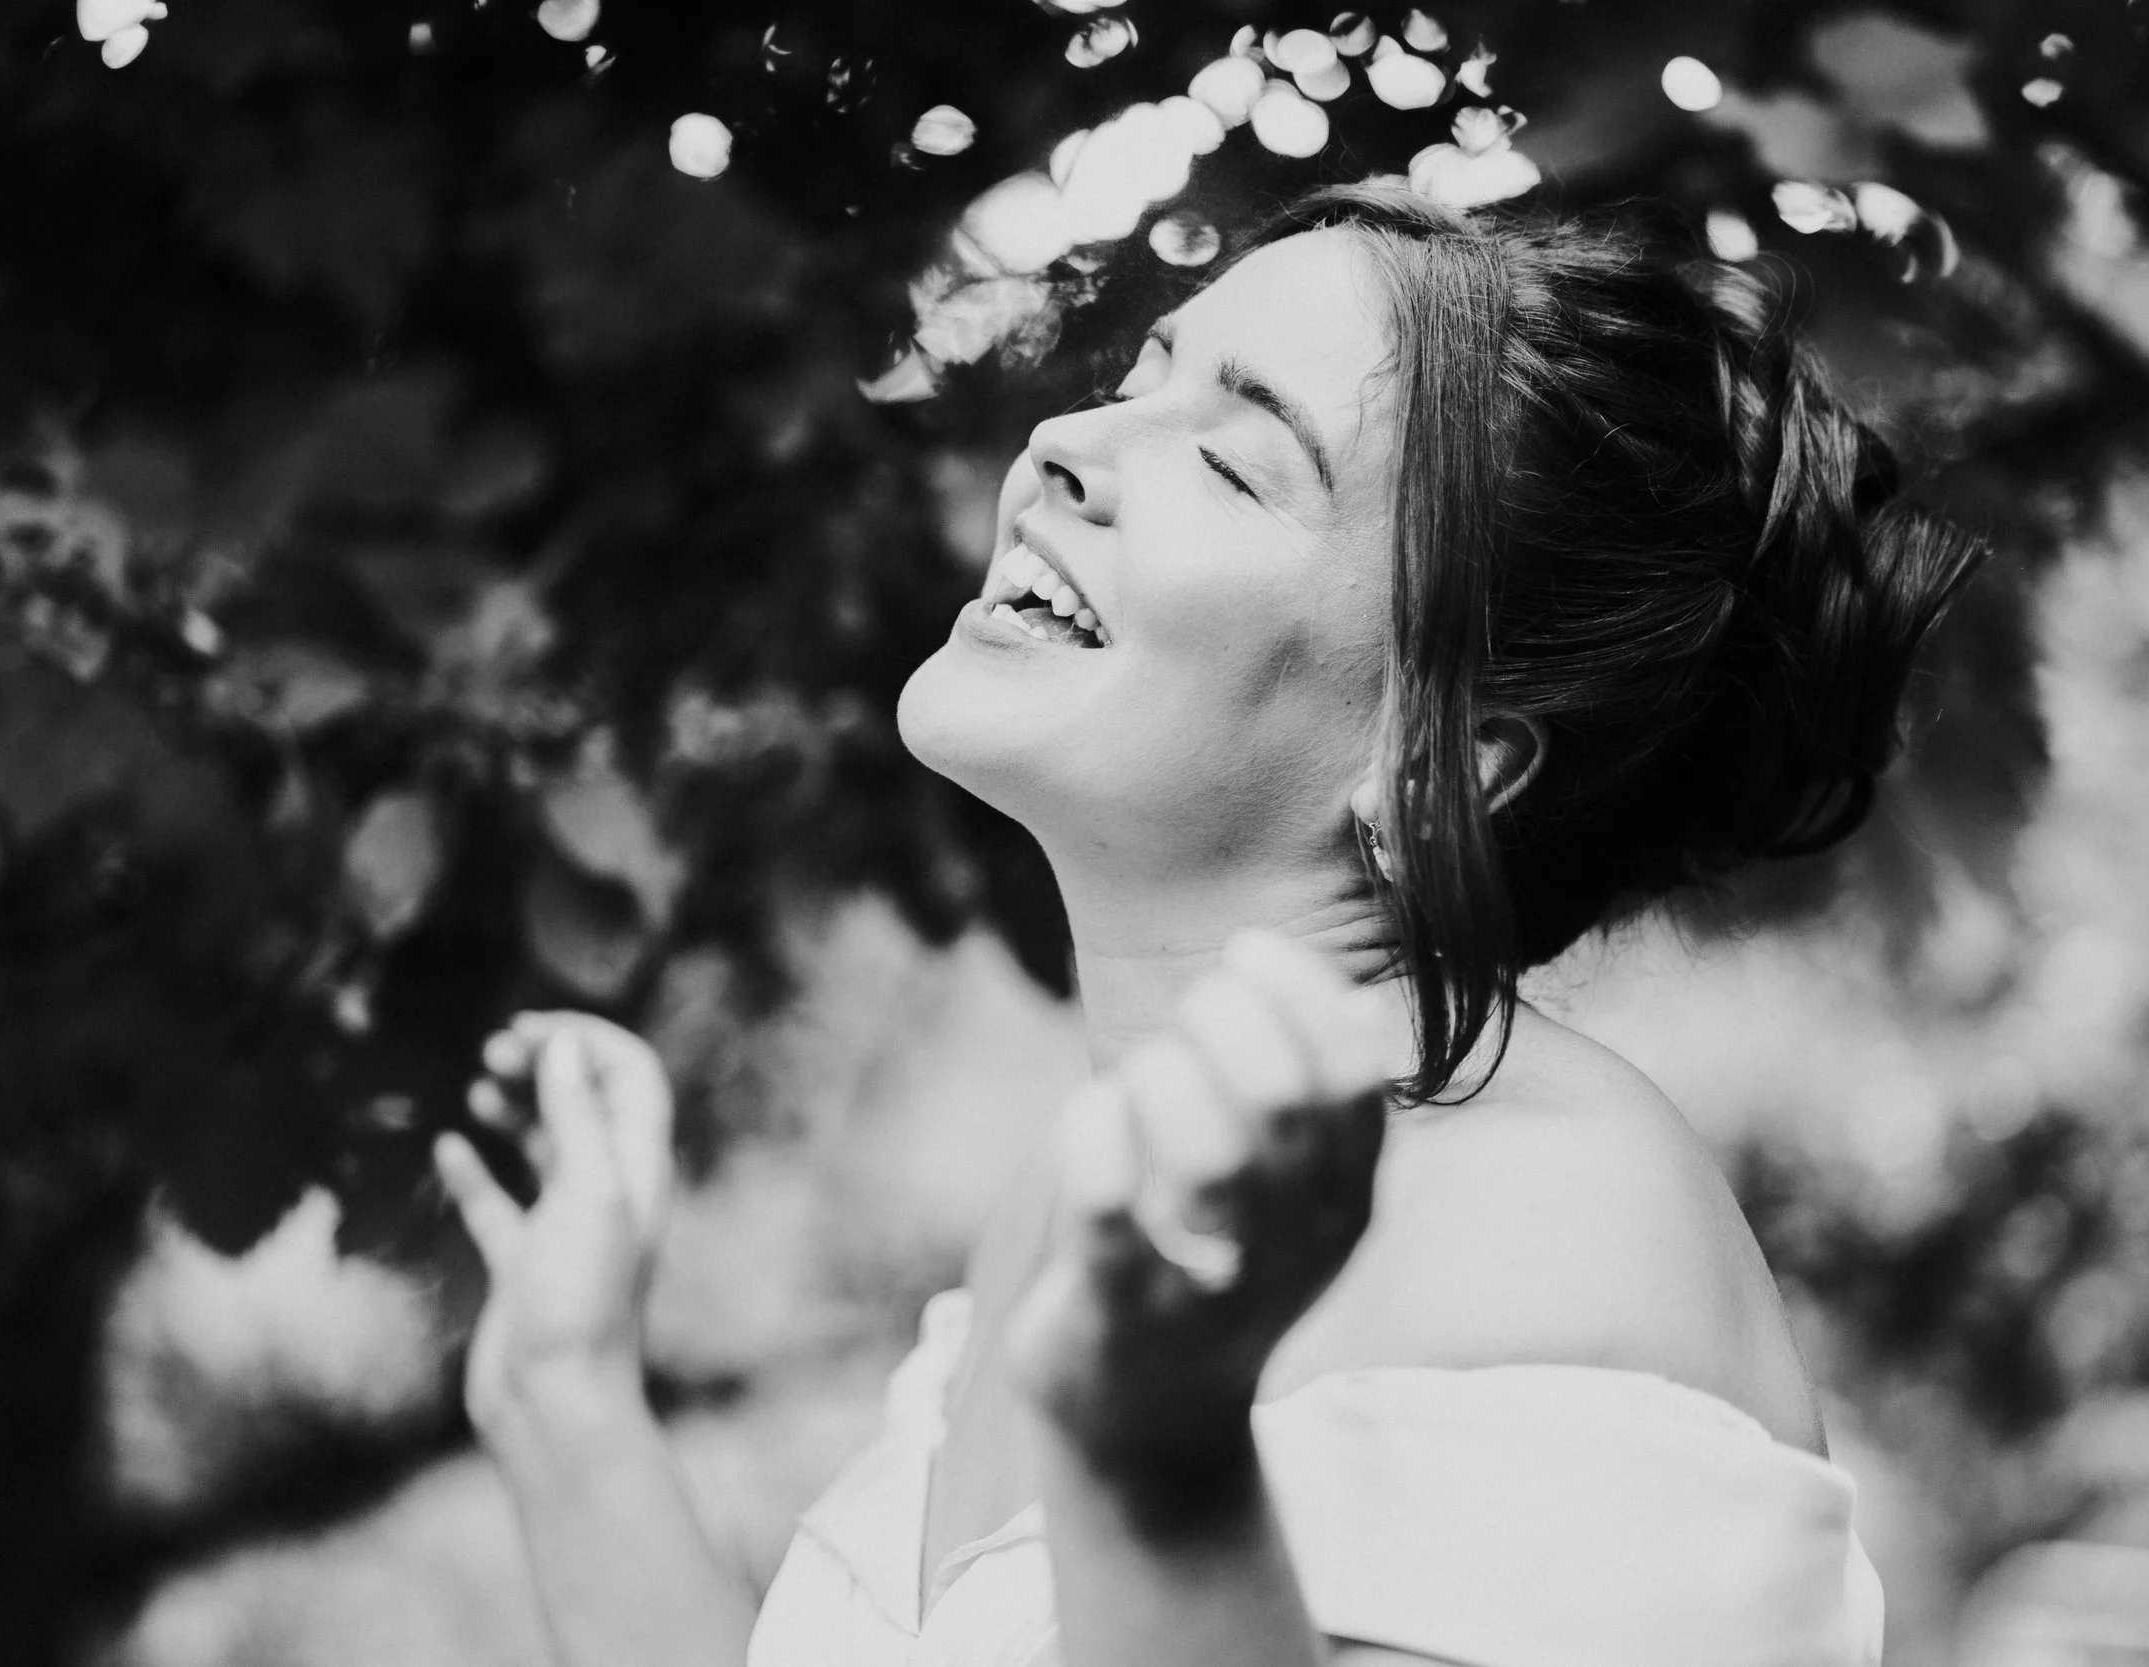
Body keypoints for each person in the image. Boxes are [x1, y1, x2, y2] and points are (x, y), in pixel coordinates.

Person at [431, 183, 1984, 1667]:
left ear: (1432, 753)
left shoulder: (1548, 1216)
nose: (1066, 442)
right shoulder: (1096, 1201)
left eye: (1238, 462)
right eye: (1139, 376)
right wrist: (563, 1397)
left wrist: (1150, 1458)